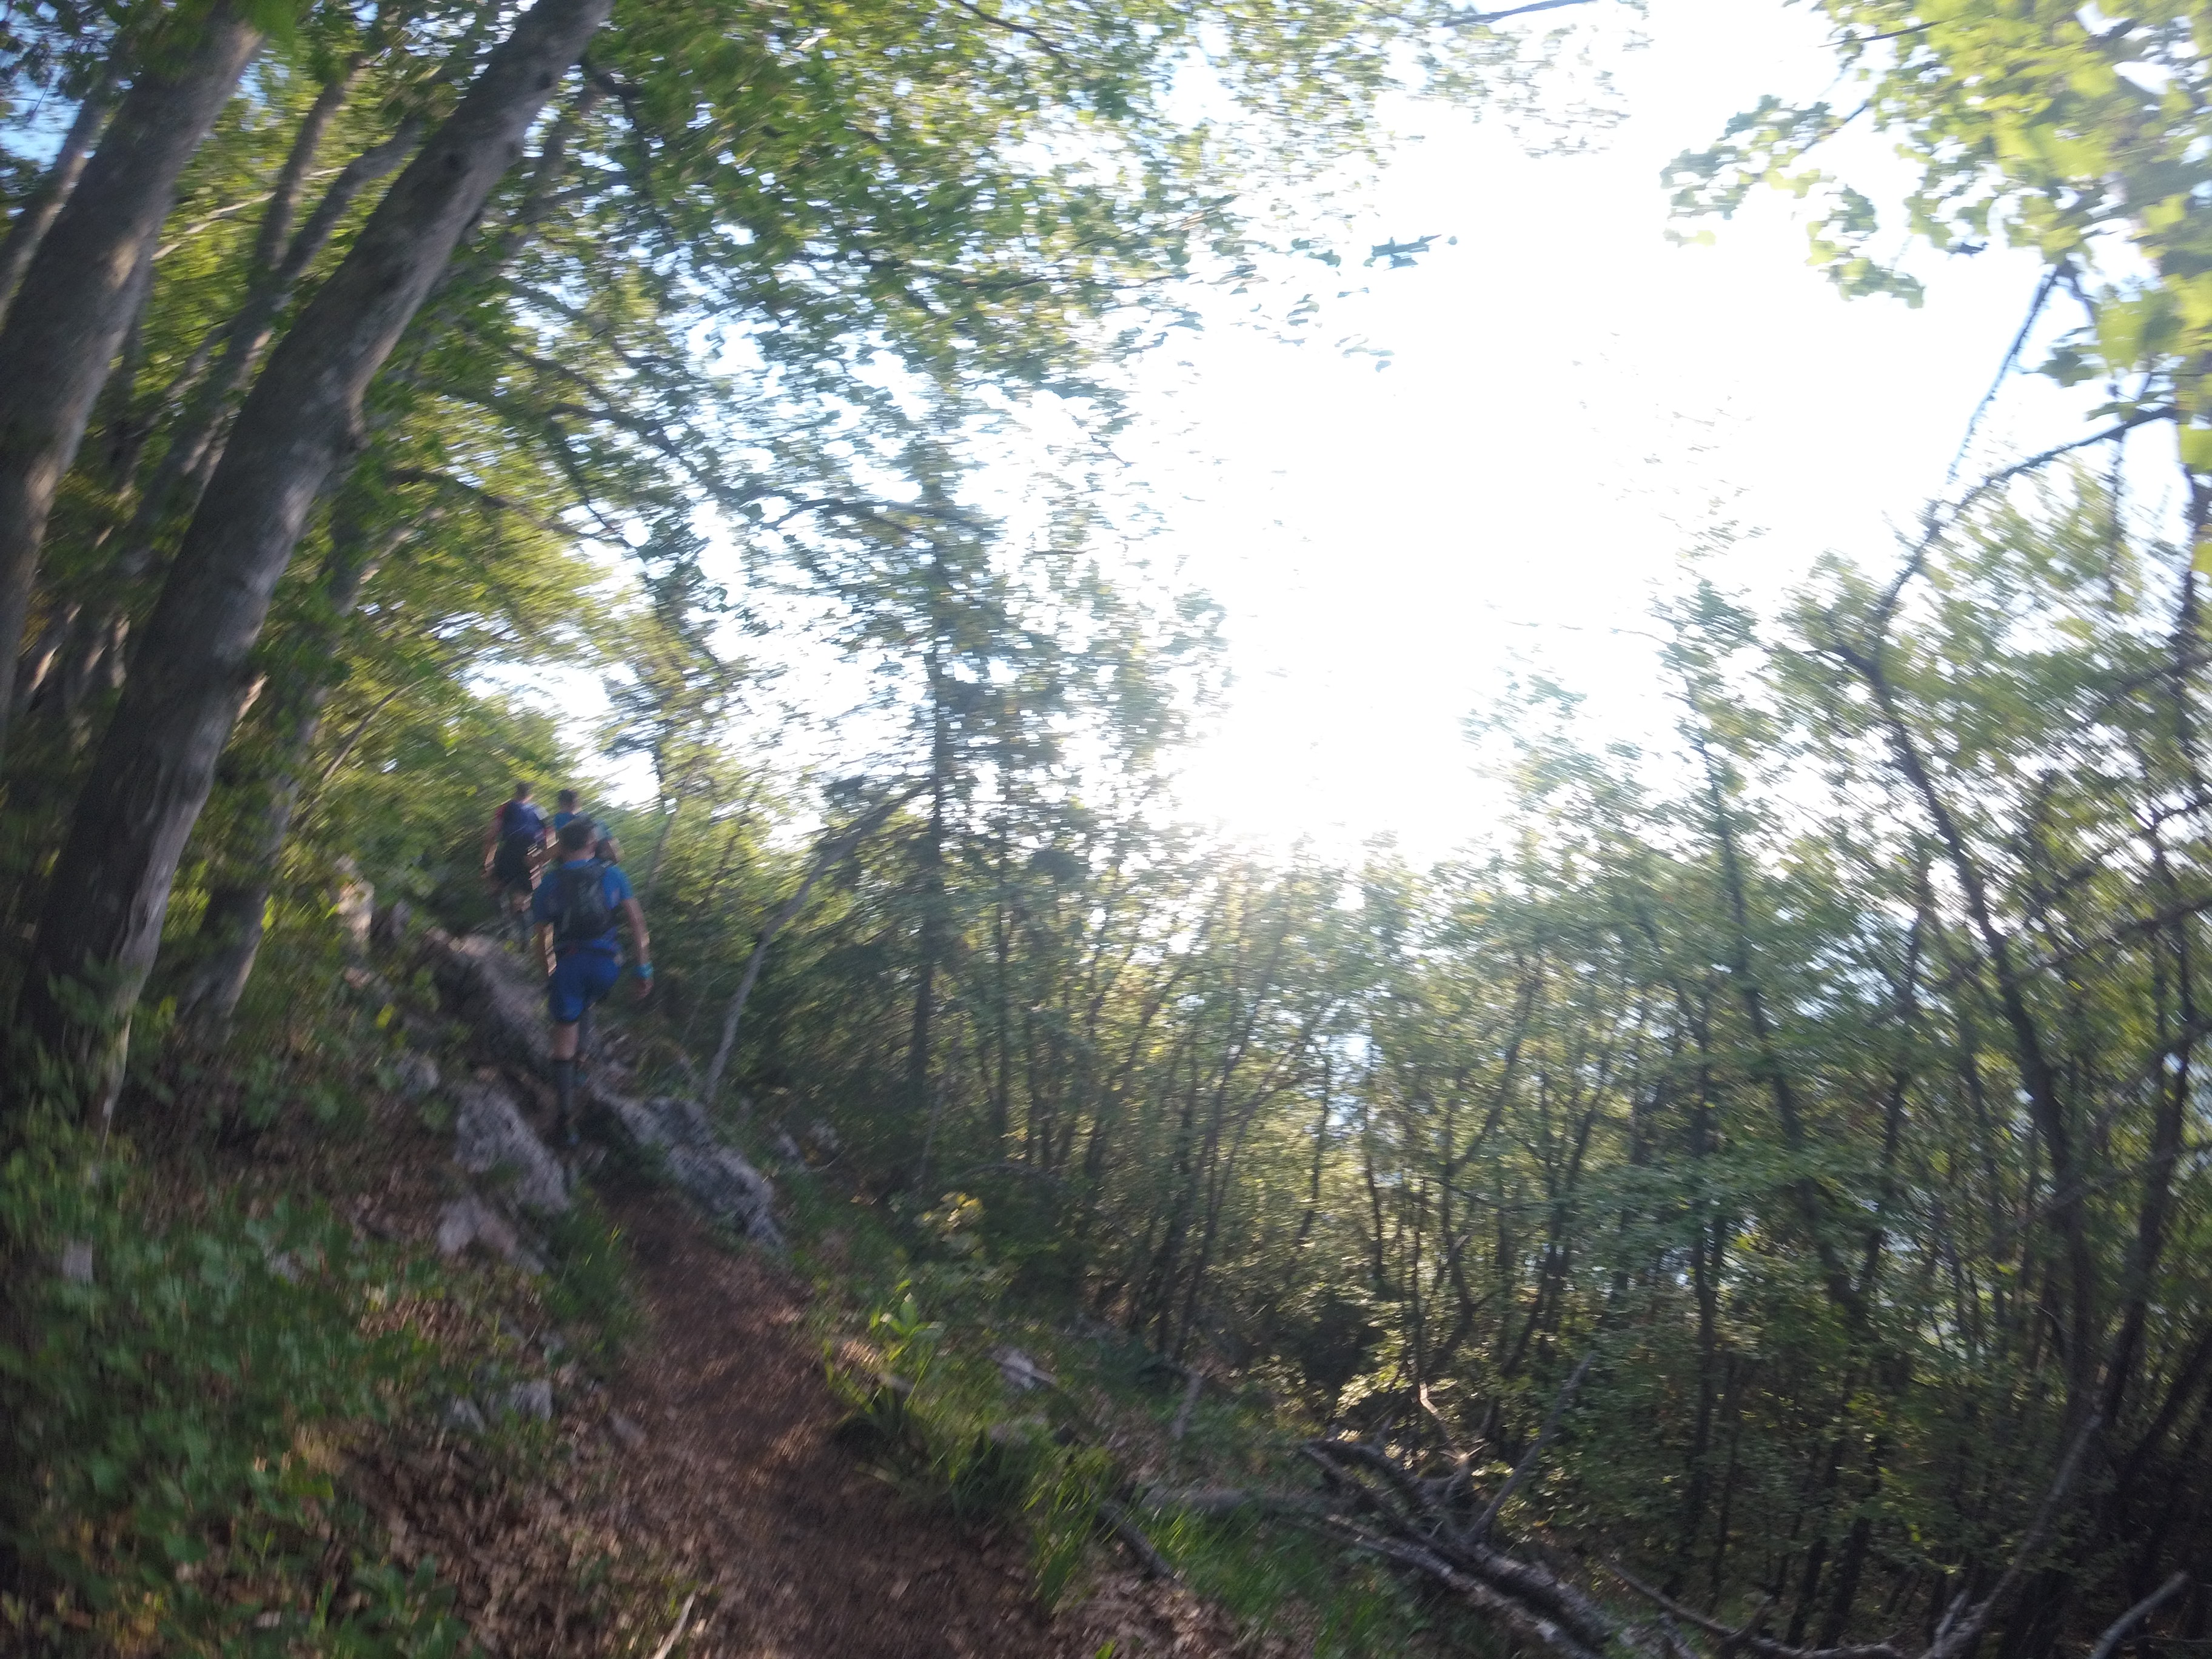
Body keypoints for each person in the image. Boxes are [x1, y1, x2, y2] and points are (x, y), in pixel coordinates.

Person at [532, 816, 652, 1144]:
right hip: (606, 966)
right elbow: (637, 924)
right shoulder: (613, 875)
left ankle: (566, 1122)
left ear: (561, 846)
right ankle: (582, 1063)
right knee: (587, 1000)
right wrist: (643, 969)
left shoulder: (548, 884)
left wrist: (548, 974)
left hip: (570, 963)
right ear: (590, 843)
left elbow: (542, 939)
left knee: (564, 1036)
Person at [482, 782, 548, 933]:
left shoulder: (507, 807)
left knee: (495, 885)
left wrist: (487, 864)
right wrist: (542, 863)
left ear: (515, 793)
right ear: (531, 795)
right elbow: (550, 839)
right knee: (522, 897)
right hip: (532, 853)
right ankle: (524, 934)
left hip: (511, 850)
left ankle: (504, 925)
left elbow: (491, 836)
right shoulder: (540, 811)